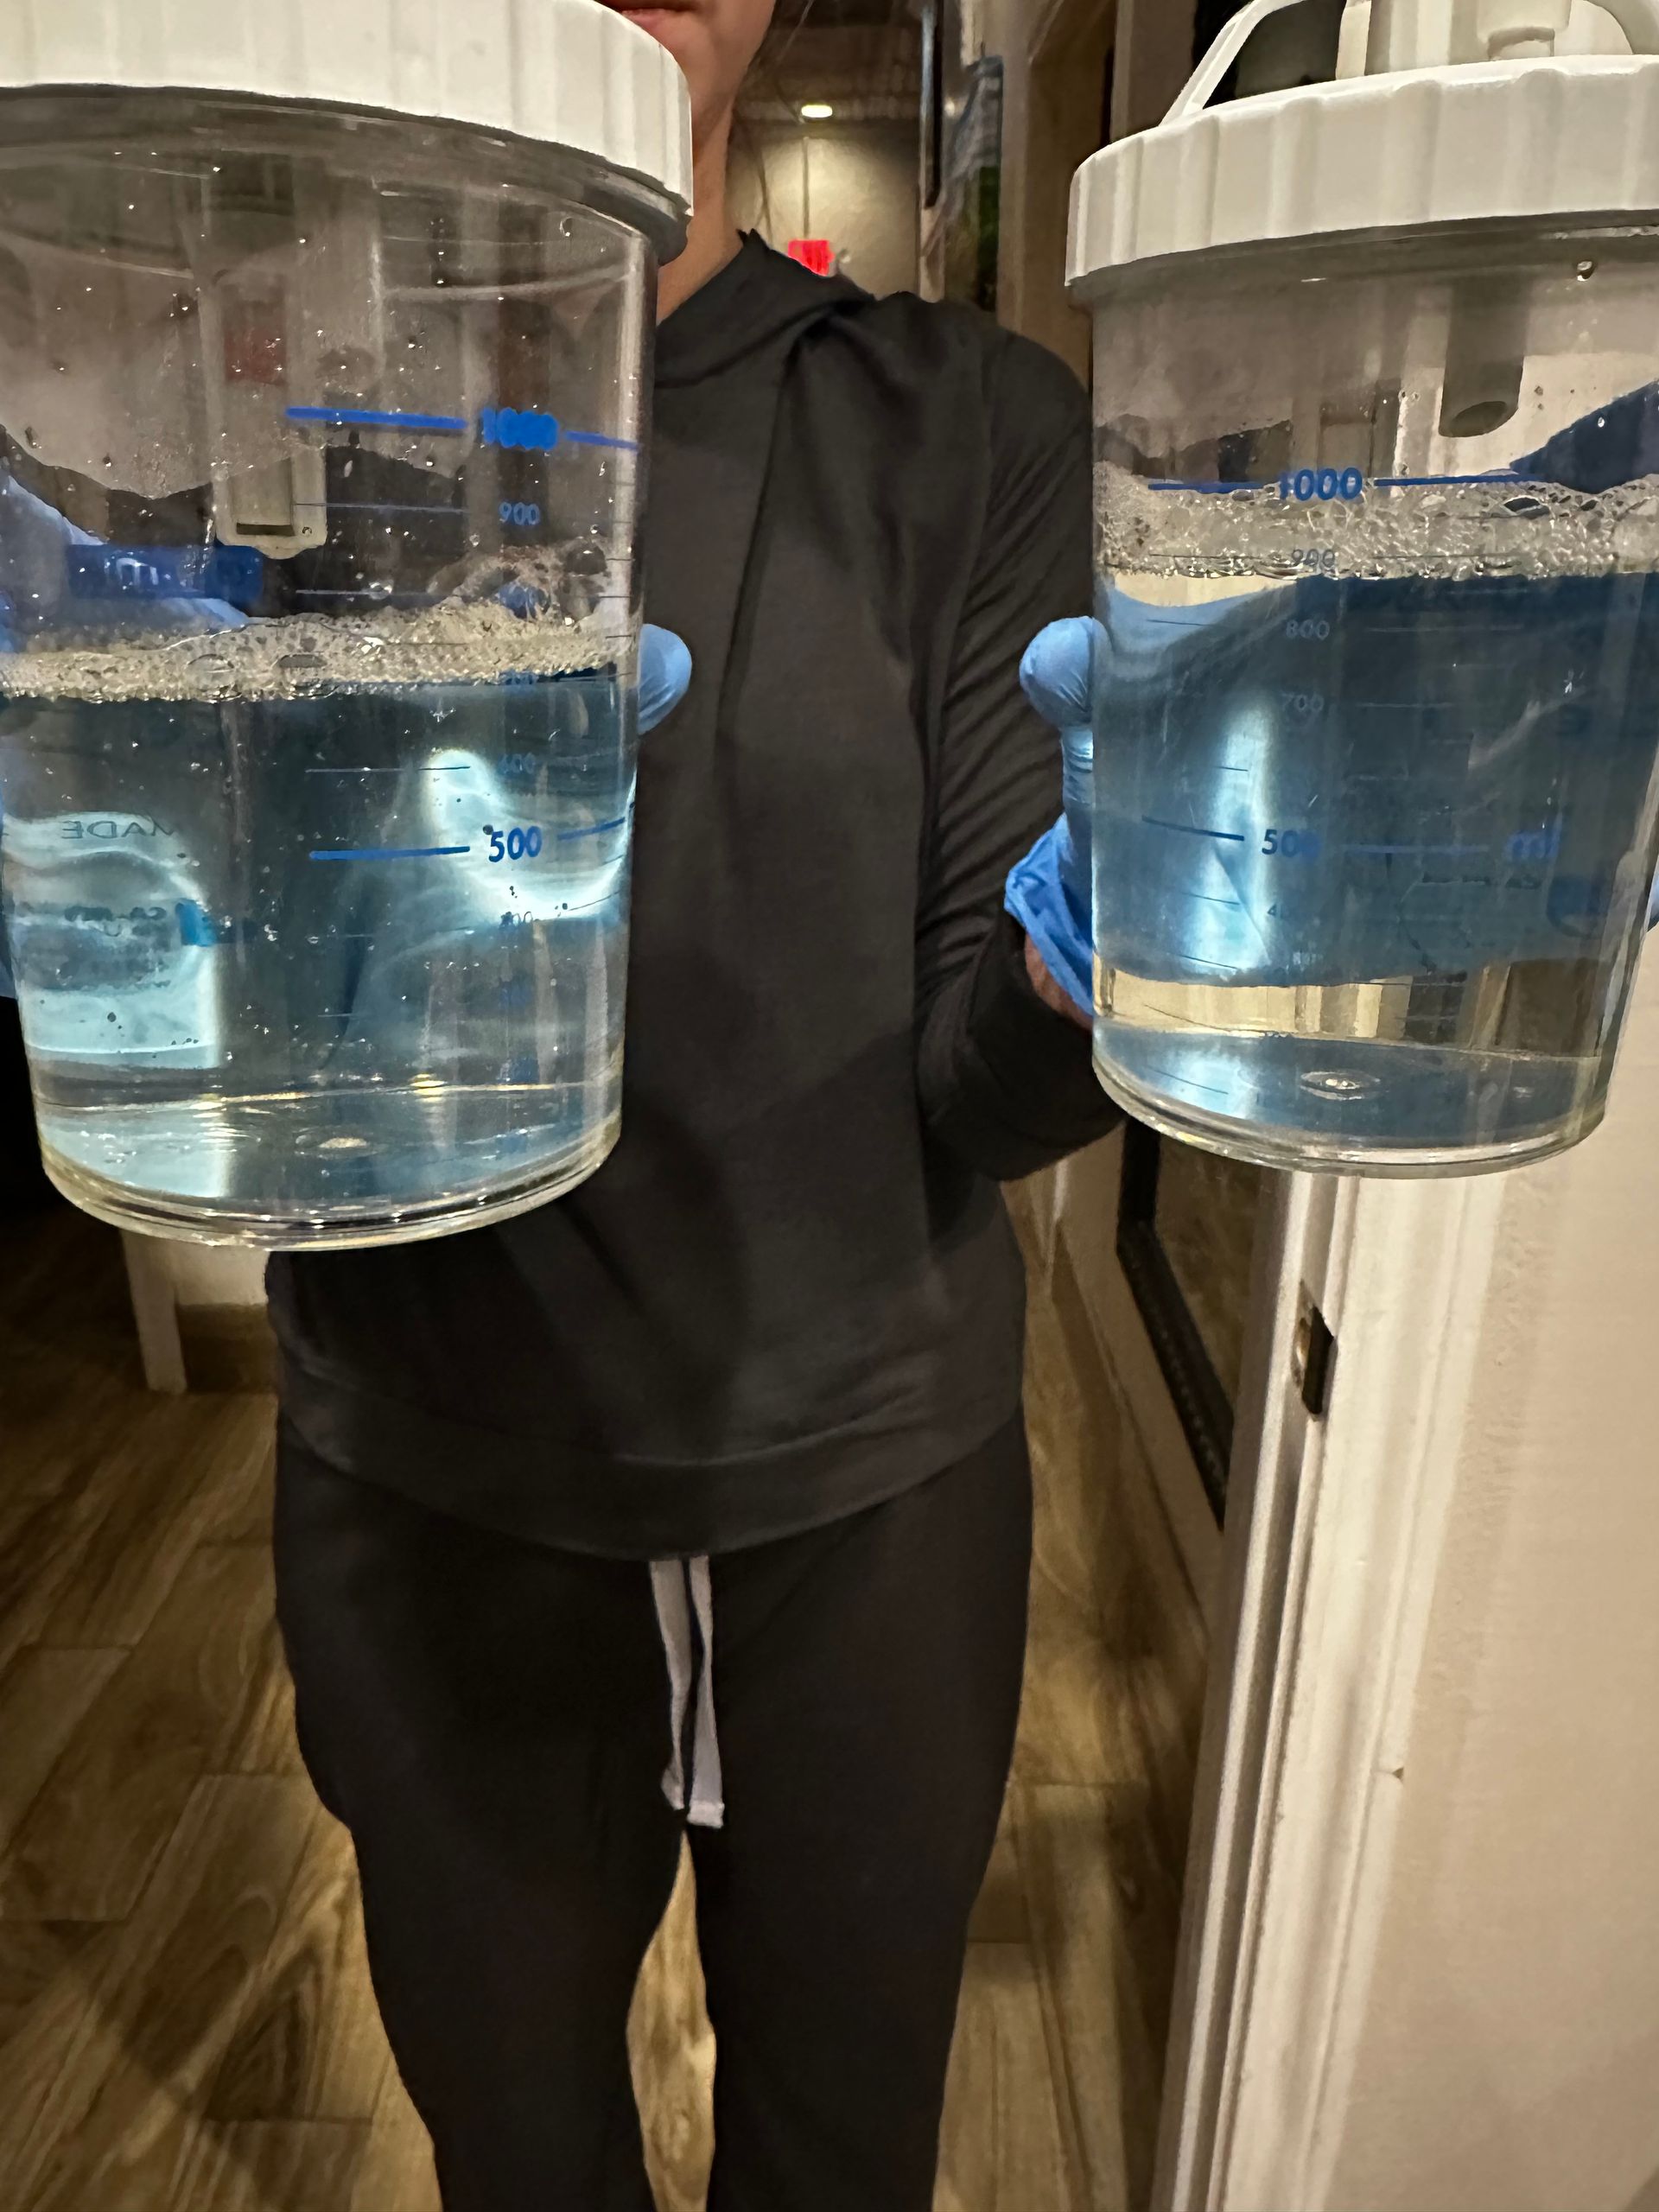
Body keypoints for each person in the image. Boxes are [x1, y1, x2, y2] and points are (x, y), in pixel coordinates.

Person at [255, 0, 1117, 2207]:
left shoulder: (972, 425)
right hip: (433, 1463)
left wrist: (1098, 950)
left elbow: (984, 1094)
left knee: (842, 2153)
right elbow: (249, 1047)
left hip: (866, 1485)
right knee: (516, 2148)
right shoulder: (260, 429)